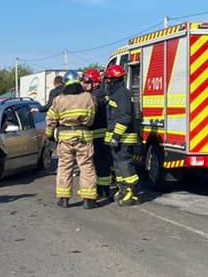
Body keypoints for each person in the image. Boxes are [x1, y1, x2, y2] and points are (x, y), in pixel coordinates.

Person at [45, 70, 97, 209]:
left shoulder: (59, 99)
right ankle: (88, 200)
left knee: (64, 167)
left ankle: (64, 199)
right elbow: (92, 117)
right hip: (84, 136)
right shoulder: (88, 97)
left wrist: (49, 134)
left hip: (64, 137)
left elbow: (51, 118)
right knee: (86, 167)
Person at [104, 64, 140, 206]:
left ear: (114, 80)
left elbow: (124, 117)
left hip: (123, 138)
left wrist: (116, 137)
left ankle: (132, 193)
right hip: (118, 138)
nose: (107, 82)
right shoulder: (116, 93)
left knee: (125, 165)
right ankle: (124, 189)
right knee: (118, 165)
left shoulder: (122, 94)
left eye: (108, 80)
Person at [82, 68, 113, 204]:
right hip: (99, 133)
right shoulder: (98, 93)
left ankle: (103, 191)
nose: (85, 84)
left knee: (100, 164)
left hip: (98, 134)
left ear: (95, 83)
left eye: (87, 81)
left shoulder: (97, 95)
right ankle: (103, 190)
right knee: (101, 164)